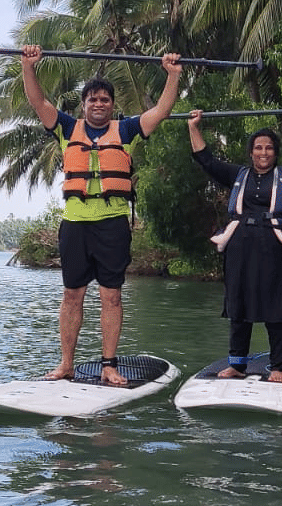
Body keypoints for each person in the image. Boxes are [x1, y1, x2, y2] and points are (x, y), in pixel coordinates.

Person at [21, 45, 182, 385]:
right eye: (92, 99)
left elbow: (163, 109)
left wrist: (173, 75)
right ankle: (66, 364)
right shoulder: (66, 128)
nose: (98, 104)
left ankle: (109, 364)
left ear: (112, 104)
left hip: (112, 225)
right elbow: (38, 102)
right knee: (71, 295)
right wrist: (29, 66)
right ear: (84, 105)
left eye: (104, 100)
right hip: (76, 225)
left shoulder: (126, 131)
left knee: (111, 295)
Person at [187, 106, 282, 382]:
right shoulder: (238, 175)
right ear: (251, 152)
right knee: (238, 304)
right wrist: (194, 127)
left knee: (276, 306)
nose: (263, 153)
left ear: (275, 153)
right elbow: (206, 159)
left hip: (274, 247)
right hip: (240, 246)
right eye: (258, 148)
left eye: (269, 149)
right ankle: (237, 364)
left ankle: (277, 367)